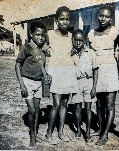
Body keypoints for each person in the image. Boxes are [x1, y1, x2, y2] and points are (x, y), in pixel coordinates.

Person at [88, 4, 119, 146]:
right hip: (97, 71)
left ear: (111, 19)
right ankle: (102, 130)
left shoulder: (115, 32)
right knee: (99, 105)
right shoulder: (91, 33)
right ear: (97, 16)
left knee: (110, 105)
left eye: (107, 16)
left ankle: (105, 135)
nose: (103, 18)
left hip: (111, 69)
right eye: (101, 15)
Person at [45, 6, 78, 144]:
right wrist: (45, 49)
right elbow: (39, 45)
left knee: (64, 103)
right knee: (56, 104)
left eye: (67, 19)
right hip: (55, 73)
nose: (64, 22)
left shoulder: (72, 36)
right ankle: (48, 134)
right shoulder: (50, 34)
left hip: (69, 72)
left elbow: (82, 46)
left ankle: (60, 132)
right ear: (56, 20)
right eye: (62, 19)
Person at [15, 21, 51, 147]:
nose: (40, 37)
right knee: (31, 110)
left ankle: (35, 133)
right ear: (31, 34)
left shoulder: (44, 49)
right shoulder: (27, 47)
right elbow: (17, 65)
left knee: (37, 110)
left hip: (39, 83)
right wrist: (22, 85)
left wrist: (47, 75)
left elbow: (42, 66)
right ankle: (32, 137)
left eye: (42, 35)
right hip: (27, 82)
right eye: (37, 34)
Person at [70, 29, 98, 143]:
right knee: (77, 108)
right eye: (75, 40)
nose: (78, 42)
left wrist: (94, 87)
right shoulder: (71, 54)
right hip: (76, 83)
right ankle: (78, 130)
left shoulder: (91, 53)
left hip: (88, 82)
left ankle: (87, 132)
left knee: (88, 108)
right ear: (72, 40)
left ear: (84, 41)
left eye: (80, 40)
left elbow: (95, 70)